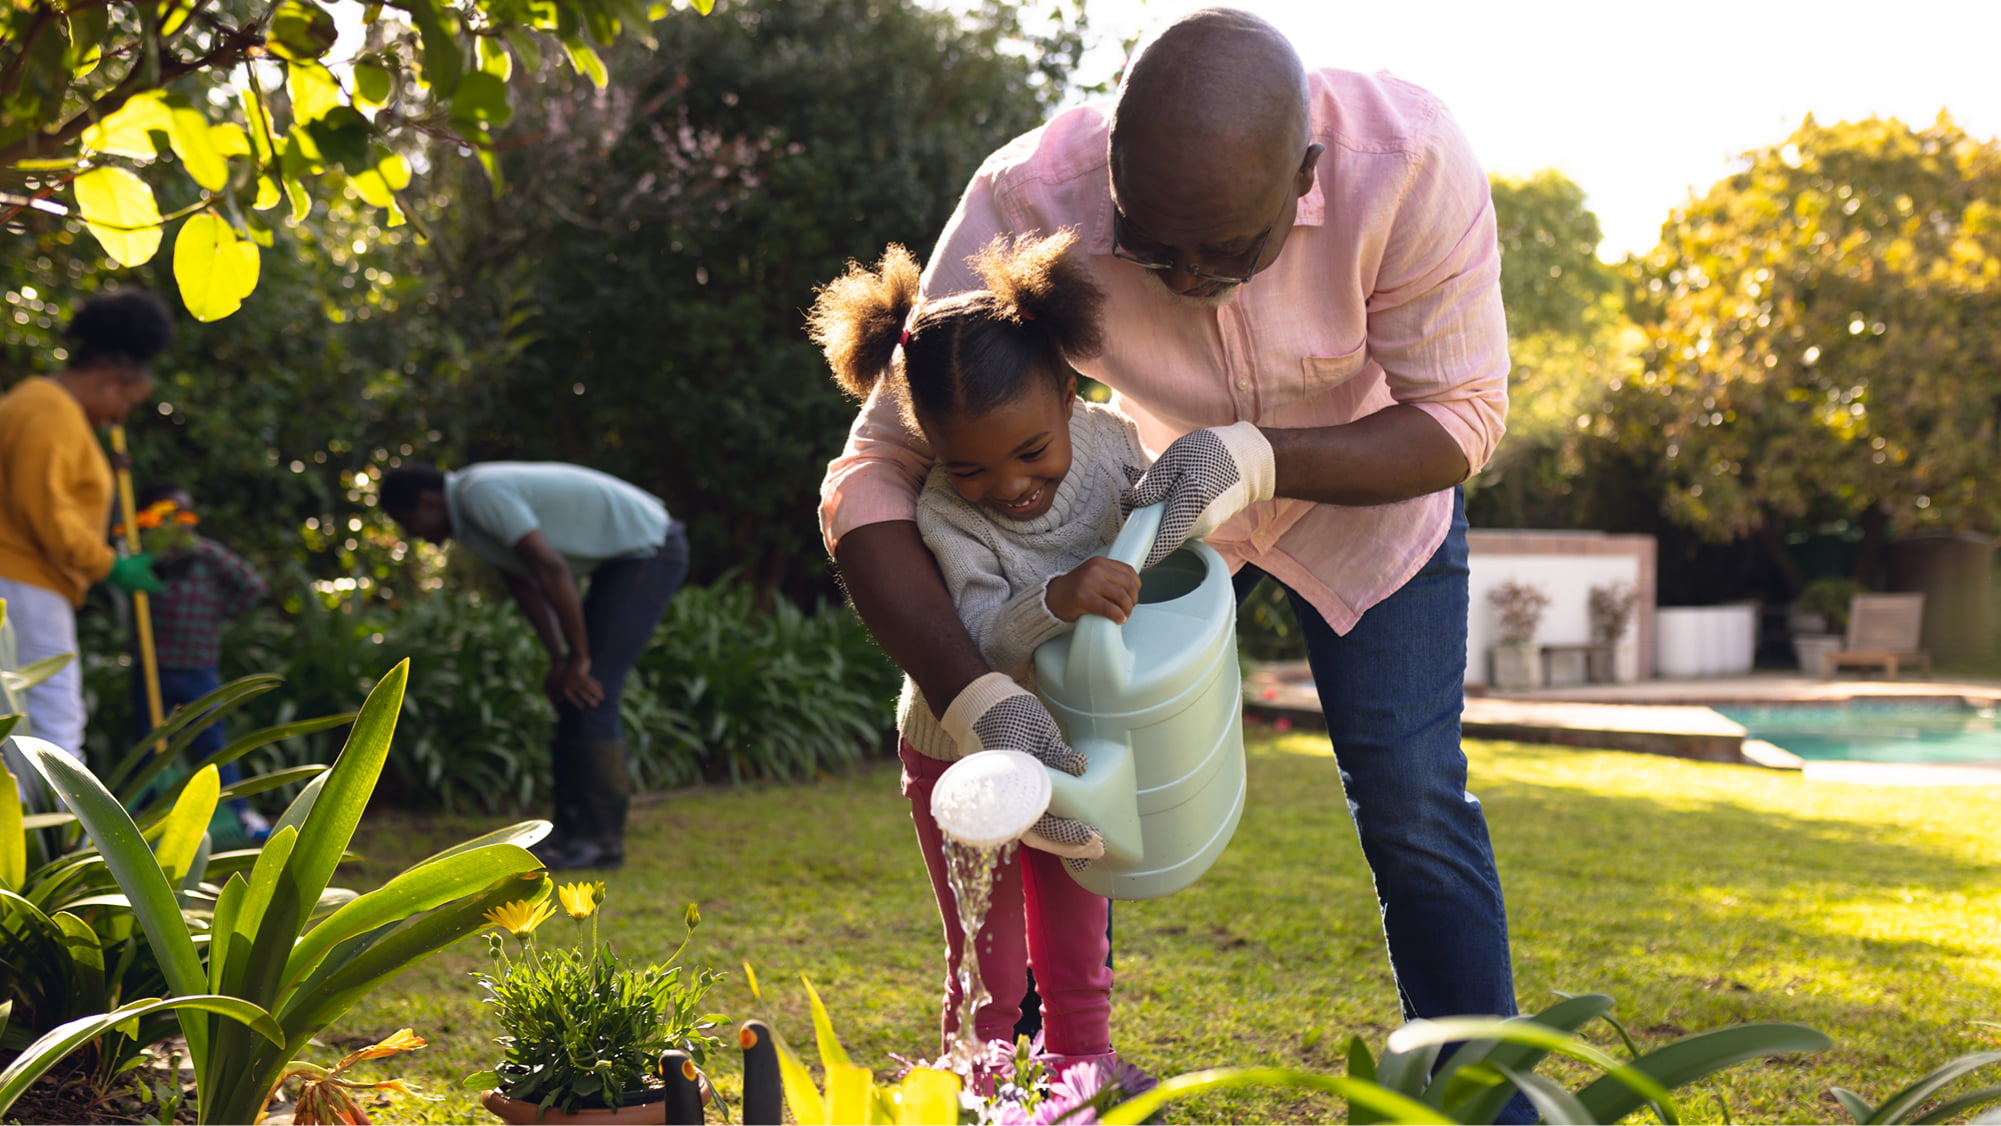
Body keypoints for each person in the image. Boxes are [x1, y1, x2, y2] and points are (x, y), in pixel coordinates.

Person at [819, 9, 1531, 1119]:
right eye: (1156, 248)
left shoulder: (1412, 163)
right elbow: (871, 470)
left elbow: (1462, 418)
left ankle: (1486, 1099)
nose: (1192, 278)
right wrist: (977, 697)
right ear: (1110, 173)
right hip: (1137, 513)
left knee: (1412, 802)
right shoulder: (1028, 201)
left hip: (1365, 503)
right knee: (1069, 765)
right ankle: (1036, 1083)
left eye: (1231, 250)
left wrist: (1254, 457)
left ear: (1304, 176)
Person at [807, 229, 1145, 1075]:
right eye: (970, 468)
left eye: (1030, 452)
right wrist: (1058, 598)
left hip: (1064, 735)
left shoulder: (1110, 443)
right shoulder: (942, 513)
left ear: (1069, 396)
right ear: (927, 444)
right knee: (984, 940)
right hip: (959, 752)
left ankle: (1082, 1067)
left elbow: (1147, 525)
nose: (1007, 486)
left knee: (1075, 922)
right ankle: (981, 1073)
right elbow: (979, 640)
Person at [379, 460, 688, 871]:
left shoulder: (478, 494)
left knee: (593, 689)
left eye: (406, 521)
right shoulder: (470, 516)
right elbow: (523, 583)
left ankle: (600, 842)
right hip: (626, 558)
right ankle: (568, 835)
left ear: (426, 501)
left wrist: (579, 658)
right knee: (572, 690)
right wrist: (559, 660)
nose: (411, 534)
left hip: (651, 548)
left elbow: (550, 566)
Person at [0, 288, 172, 762]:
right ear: (111, 379)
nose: (120, 416)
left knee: (18, 712)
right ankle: (60, 831)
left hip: (22, 581)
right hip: (25, 581)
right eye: (128, 402)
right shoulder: (49, 410)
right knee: (54, 715)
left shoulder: (45, 408)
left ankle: (23, 828)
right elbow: (48, 514)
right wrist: (108, 566)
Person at [129, 481, 270, 845]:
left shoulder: (207, 555)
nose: (181, 522)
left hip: (198, 668)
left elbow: (252, 585)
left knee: (212, 742)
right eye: (170, 513)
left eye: (186, 513)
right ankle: (148, 820)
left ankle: (240, 815)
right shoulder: (140, 559)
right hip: (151, 669)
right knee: (151, 747)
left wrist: (220, 616)